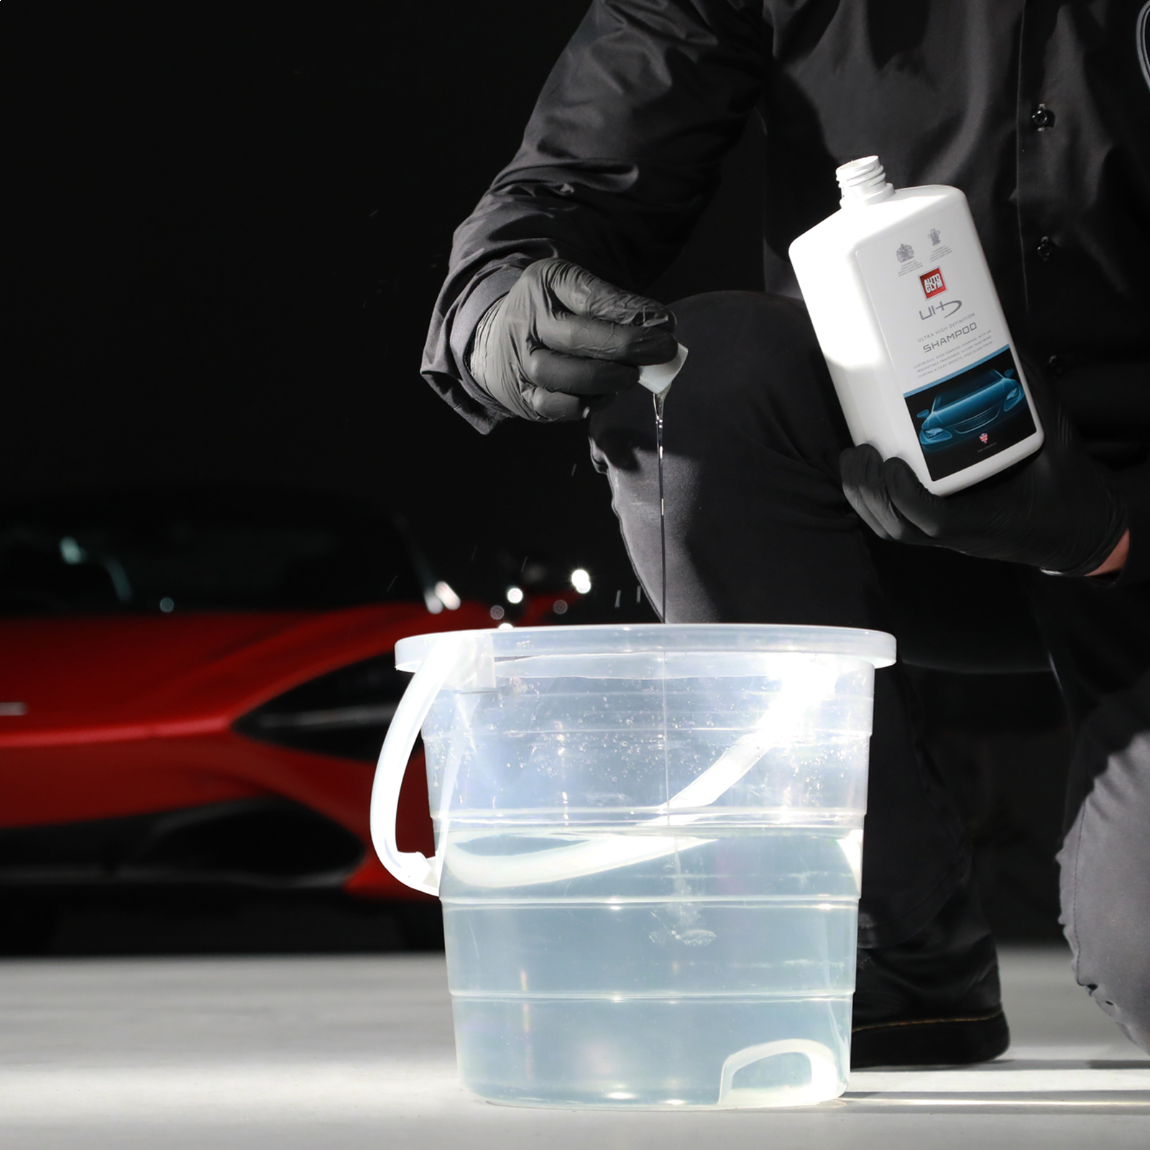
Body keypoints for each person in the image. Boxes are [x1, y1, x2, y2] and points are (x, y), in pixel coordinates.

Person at [422, 1, 1150, 1063]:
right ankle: (878, 943)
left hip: (1132, 540)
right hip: (882, 503)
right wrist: (496, 296)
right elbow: (581, 168)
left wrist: (1117, 536)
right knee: (700, 377)